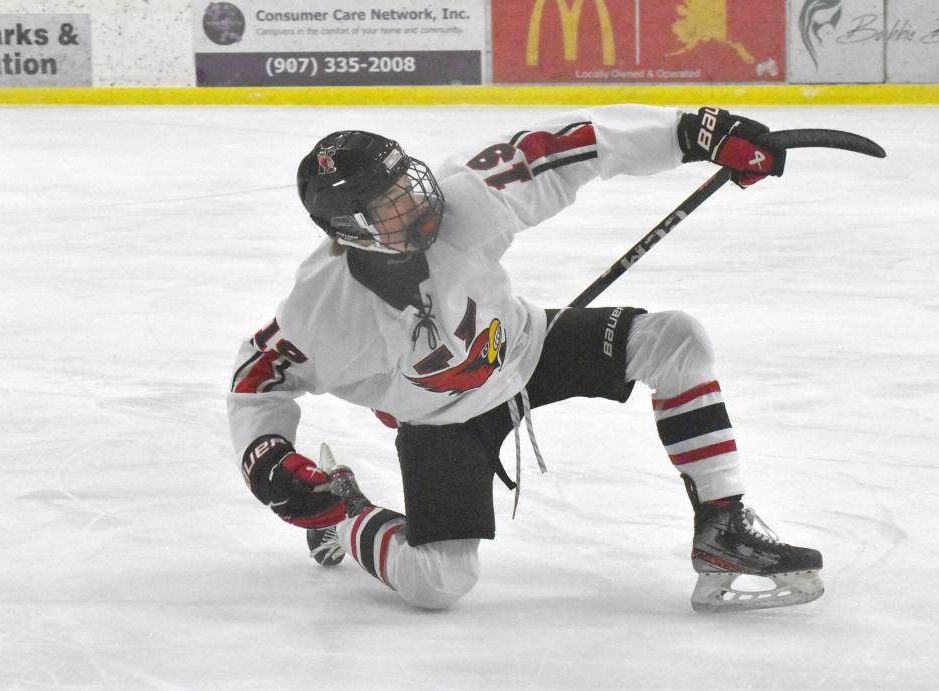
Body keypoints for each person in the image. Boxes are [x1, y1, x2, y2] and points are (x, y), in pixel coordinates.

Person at [227, 105, 823, 613]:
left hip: (526, 347)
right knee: (439, 582)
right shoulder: (325, 309)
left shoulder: (467, 200)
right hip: (444, 420)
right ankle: (343, 515)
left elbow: (569, 146)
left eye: (410, 182)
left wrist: (692, 133)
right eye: (390, 206)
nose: (418, 203)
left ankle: (722, 525)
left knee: (675, 339)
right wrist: (268, 458)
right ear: (350, 229)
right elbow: (257, 378)